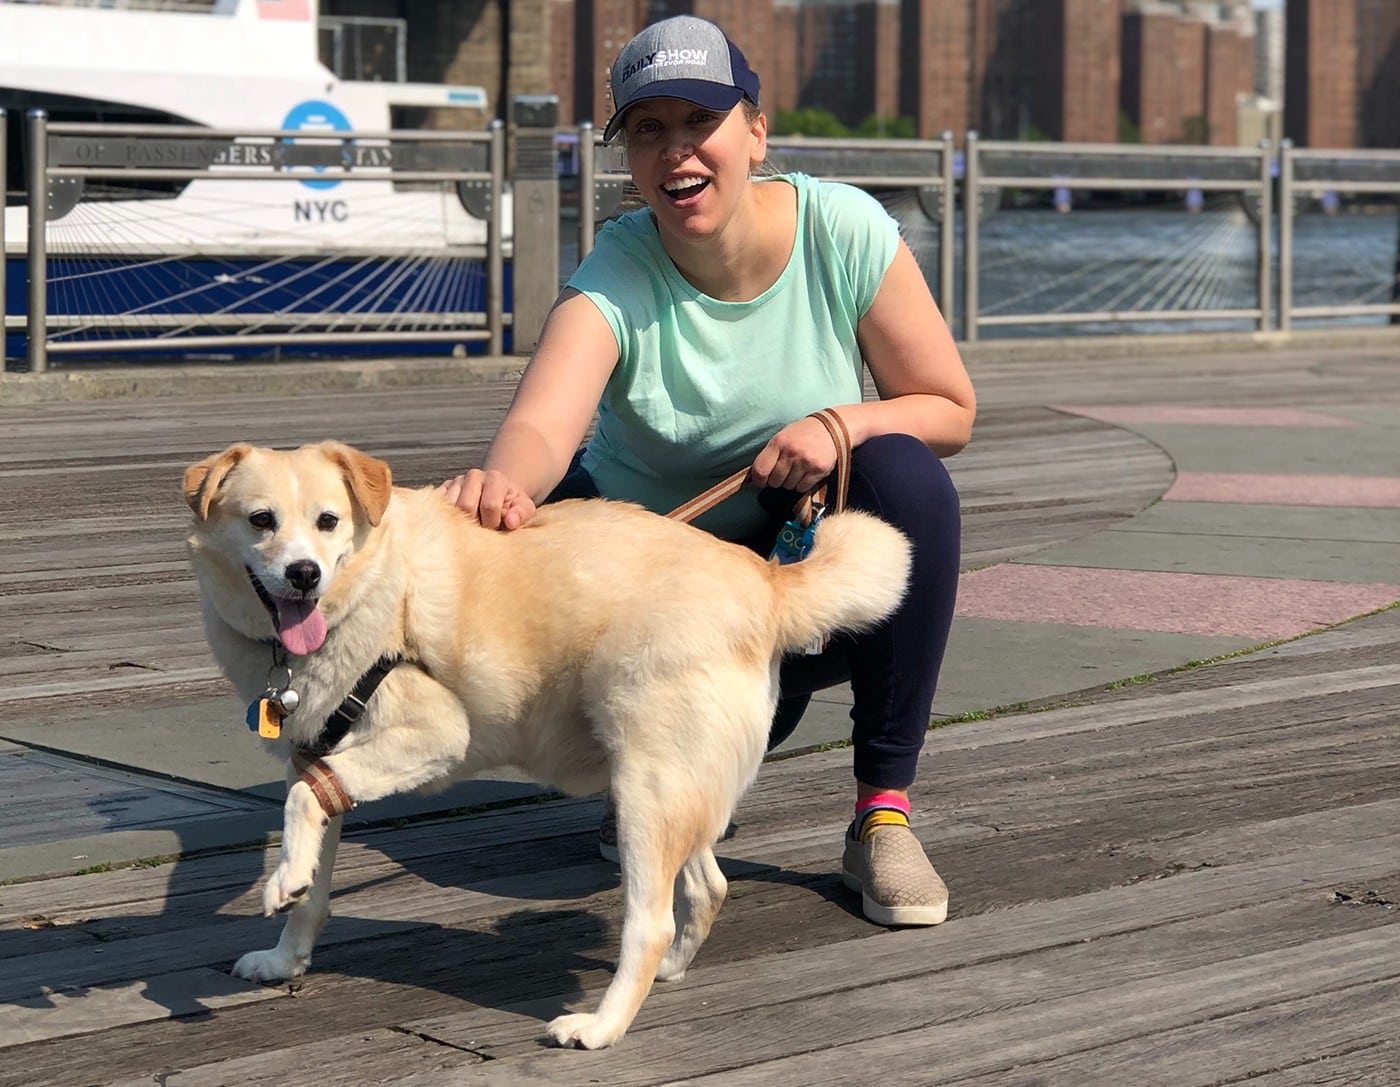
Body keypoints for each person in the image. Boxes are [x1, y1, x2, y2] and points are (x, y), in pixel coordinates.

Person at [441, 14, 975, 927]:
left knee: (906, 475)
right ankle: (661, 755)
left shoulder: (841, 229)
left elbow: (950, 408)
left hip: (785, 580)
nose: (676, 151)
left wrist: (838, 423)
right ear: (626, 154)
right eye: (648, 129)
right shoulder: (618, 271)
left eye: (701, 120)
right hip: (649, 614)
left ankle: (881, 817)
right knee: (547, 535)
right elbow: (541, 422)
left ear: (756, 132)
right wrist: (503, 484)